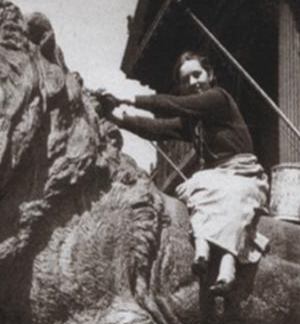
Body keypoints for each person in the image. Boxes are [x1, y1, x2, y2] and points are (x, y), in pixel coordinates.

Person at [101, 52, 268, 297]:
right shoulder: (194, 123)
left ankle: (227, 265)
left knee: (228, 195)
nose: (193, 83)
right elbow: (158, 128)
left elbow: (175, 104)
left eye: (197, 74)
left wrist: (127, 99)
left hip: (242, 173)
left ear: (210, 75)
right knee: (196, 188)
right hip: (215, 177)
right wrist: (117, 118)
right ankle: (202, 251)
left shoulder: (218, 99)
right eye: (185, 80)